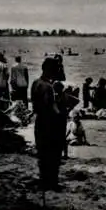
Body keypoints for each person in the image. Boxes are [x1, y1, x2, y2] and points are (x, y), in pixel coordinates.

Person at [31, 57, 63, 192]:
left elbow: (35, 105)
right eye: (56, 69)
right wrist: (61, 112)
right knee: (54, 154)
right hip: (49, 123)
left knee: (42, 154)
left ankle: (43, 181)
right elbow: (51, 108)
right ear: (50, 70)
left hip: (39, 122)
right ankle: (52, 183)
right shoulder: (48, 87)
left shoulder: (35, 83)